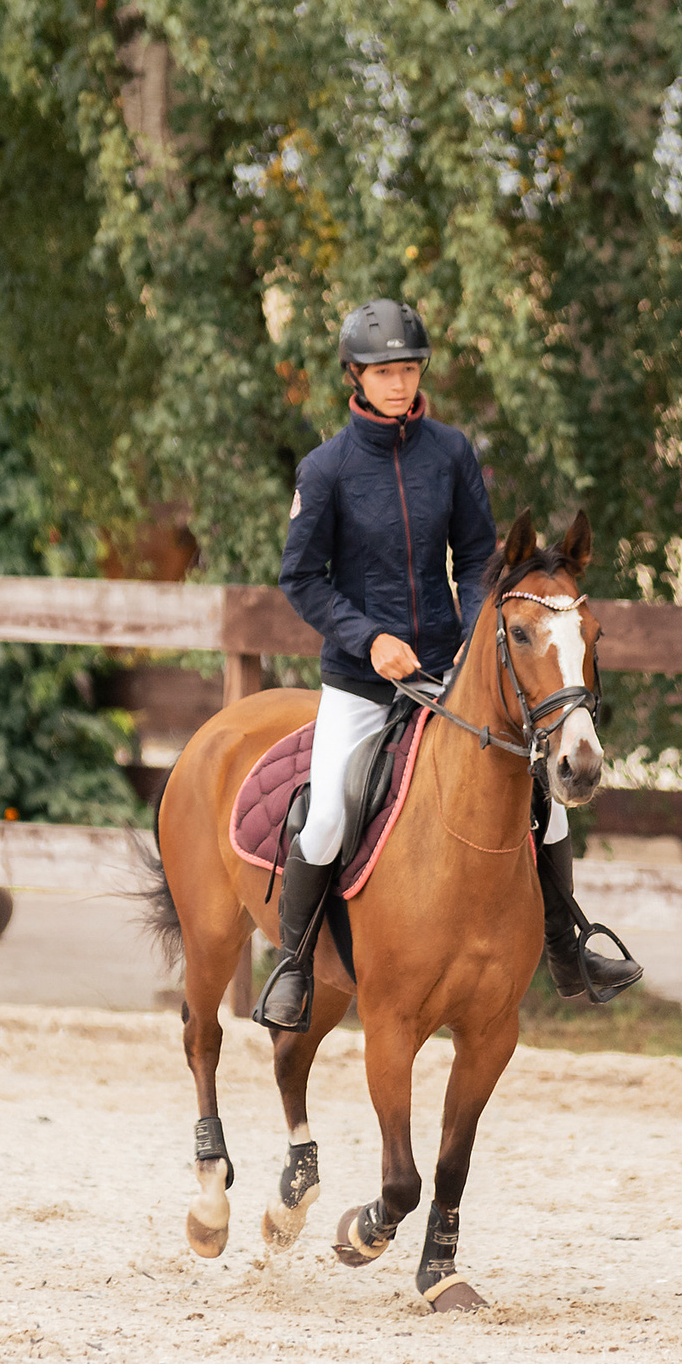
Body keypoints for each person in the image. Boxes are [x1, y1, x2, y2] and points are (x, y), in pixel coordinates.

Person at [259, 298, 641, 1032]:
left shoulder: (452, 453)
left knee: (545, 807)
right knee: (331, 809)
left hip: (445, 671)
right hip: (362, 679)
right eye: (383, 373)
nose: (398, 384)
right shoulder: (326, 469)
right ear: (355, 378)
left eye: (408, 369)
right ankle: (294, 966)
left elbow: (476, 560)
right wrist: (369, 639)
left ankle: (569, 948)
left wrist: (473, 640)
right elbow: (301, 579)